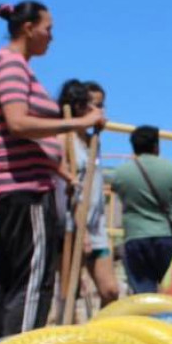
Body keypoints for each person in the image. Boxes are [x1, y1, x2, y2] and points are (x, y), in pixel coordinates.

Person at [0, 0, 104, 339]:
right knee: (34, 282)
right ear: (28, 28)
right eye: (48, 29)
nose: (51, 37)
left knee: (11, 279)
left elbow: (15, 134)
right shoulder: (11, 65)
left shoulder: (10, 65)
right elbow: (17, 123)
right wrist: (79, 122)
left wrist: (56, 167)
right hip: (25, 189)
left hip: (17, 183)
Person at [55, 79, 118, 307]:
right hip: (74, 224)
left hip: (96, 224)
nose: (99, 111)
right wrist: (82, 232)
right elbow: (65, 184)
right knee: (70, 293)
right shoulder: (64, 138)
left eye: (102, 105)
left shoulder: (93, 141)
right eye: (94, 105)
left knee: (110, 290)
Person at [111, 125, 172, 294]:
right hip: (165, 235)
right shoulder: (171, 169)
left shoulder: (121, 172)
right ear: (156, 145)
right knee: (171, 291)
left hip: (135, 236)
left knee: (142, 292)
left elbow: (117, 192)